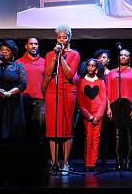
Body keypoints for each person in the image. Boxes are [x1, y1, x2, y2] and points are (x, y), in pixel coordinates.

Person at [42, 25, 80, 174]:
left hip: (68, 92)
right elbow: (47, 72)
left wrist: (62, 58)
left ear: (69, 38)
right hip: (52, 91)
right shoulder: (50, 54)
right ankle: (54, 162)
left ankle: (65, 163)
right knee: (52, 128)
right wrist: (55, 56)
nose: (62, 39)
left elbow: (70, 74)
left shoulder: (74, 54)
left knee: (65, 128)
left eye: (64, 37)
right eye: (59, 37)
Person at [106, 48, 132, 170]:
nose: (123, 57)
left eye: (126, 55)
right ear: (118, 58)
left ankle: (128, 162)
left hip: (128, 104)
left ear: (129, 58)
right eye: (121, 55)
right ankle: (118, 162)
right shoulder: (112, 73)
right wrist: (108, 108)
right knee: (117, 134)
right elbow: (107, 92)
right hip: (115, 104)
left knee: (129, 134)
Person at [0, 39, 27, 143]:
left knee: (13, 132)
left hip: (14, 103)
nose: (4, 51)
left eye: (7, 50)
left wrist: (9, 93)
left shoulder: (17, 66)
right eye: (2, 49)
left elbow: (23, 84)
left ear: (13, 52)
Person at [77, 59, 107, 171]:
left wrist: (98, 116)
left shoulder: (100, 81)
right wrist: (88, 115)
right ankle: (87, 162)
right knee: (88, 138)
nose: (90, 68)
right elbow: (80, 100)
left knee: (96, 139)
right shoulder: (81, 81)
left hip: (97, 114)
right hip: (87, 115)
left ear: (96, 68)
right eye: (89, 66)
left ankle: (92, 163)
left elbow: (103, 99)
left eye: (93, 66)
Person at [16, 37, 46, 144]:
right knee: (24, 130)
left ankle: (39, 158)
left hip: (41, 101)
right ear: (26, 46)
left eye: (36, 44)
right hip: (23, 101)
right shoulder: (18, 62)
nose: (34, 46)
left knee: (40, 132)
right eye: (31, 44)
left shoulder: (45, 62)